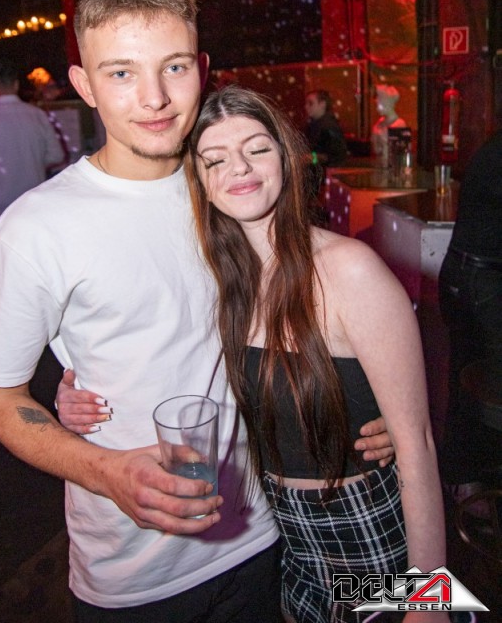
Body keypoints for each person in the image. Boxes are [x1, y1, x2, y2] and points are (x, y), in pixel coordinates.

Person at [0, 0, 393, 623]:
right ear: (83, 85)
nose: (154, 98)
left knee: (407, 600)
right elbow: (0, 403)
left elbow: (306, 303)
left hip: (265, 537)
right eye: (120, 73)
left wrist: (376, 404)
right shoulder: (35, 230)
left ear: (201, 70)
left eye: (173, 67)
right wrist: (105, 470)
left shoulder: (227, 188)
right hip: (134, 574)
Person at [57, 81, 447, 622]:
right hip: (272, 537)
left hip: (358, 532)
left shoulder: (349, 269)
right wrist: (76, 394)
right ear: (199, 181)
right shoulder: (214, 283)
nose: (238, 168)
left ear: (285, 156)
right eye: (215, 159)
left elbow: (416, 443)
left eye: (256, 148)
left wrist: (429, 601)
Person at [438, 129, 502, 506]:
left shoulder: (492, 147)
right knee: (479, 378)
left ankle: (462, 477)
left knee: (465, 374)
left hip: (466, 274)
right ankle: (468, 481)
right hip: (482, 281)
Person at [0, 59, 64, 300]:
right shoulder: (36, 115)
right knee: (36, 267)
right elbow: (56, 155)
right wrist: (32, 161)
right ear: (16, 84)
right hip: (33, 202)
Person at [304, 91, 348, 168]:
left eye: (310, 103)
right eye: (306, 103)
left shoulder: (329, 127)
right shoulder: (313, 125)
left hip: (326, 171)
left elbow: (336, 156)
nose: (306, 107)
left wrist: (312, 158)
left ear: (322, 104)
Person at [370, 84, 407, 165]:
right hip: (380, 165)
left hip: (393, 166)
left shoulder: (399, 124)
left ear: (387, 103)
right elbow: (376, 150)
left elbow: (400, 151)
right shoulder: (379, 124)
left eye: (380, 105)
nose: (377, 108)